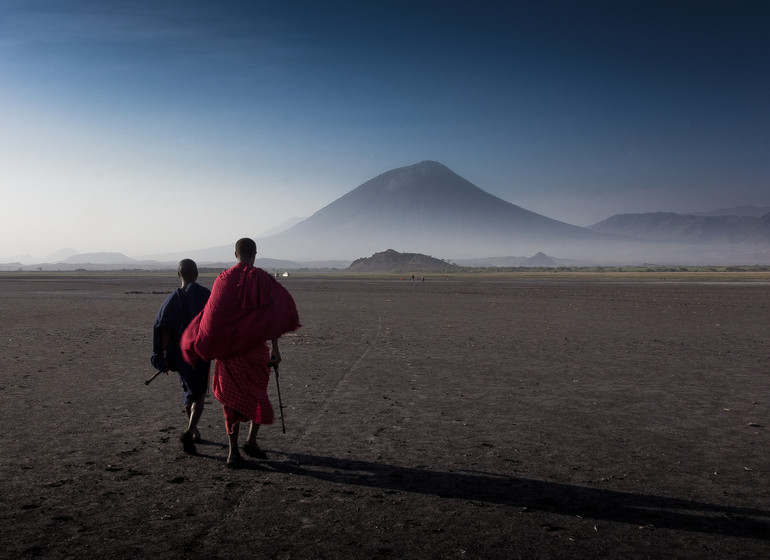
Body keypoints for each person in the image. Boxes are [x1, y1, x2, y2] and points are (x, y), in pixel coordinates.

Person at [181, 238, 300, 468]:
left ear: (235, 253)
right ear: (255, 253)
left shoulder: (223, 280)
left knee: (231, 403)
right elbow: (273, 317)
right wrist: (275, 349)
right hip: (256, 352)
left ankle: (233, 452)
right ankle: (252, 440)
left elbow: (212, 317)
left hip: (229, 355)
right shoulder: (263, 279)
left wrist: (213, 345)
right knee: (257, 393)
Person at [151, 259, 212, 455]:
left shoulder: (171, 299)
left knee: (188, 390)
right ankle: (191, 430)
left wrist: (165, 356)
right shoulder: (205, 295)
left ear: (179, 275)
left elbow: (164, 330)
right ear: (197, 273)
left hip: (179, 354)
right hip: (199, 353)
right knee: (199, 394)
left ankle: (194, 431)